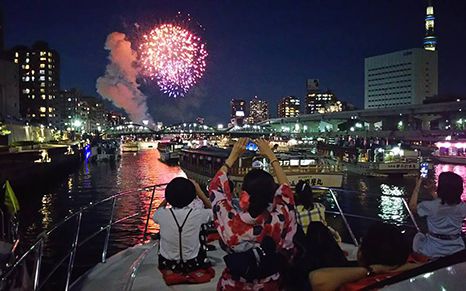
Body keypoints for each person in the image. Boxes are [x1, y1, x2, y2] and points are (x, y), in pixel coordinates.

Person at [209, 138, 297, 291]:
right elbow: (286, 194)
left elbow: (215, 188)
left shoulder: (231, 223)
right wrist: (271, 156)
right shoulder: (279, 219)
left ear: (244, 194)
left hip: (234, 286)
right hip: (270, 285)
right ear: (272, 195)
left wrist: (233, 156)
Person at [309, 223, 419, 291]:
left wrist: (371, 270)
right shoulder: (419, 270)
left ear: (361, 254)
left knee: (317, 230)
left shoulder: (356, 286)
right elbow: (428, 263)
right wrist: (396, 267)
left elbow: (317, 279)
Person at [153, 177, 212, 273]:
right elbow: (213, 211)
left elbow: (156, 213)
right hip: (193, 263)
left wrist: (167, 199)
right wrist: (200, 192)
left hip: (167, 264)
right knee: (202, 226)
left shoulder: (162, 214)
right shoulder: (197, 214)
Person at [409, 171, 466, 258]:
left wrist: (418, 185)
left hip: (433, 249)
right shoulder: (463, 207)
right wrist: (432, 192)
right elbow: (446, 206)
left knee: (417, 237)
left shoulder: (430, 206)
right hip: (457, 248)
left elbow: (412, 207)